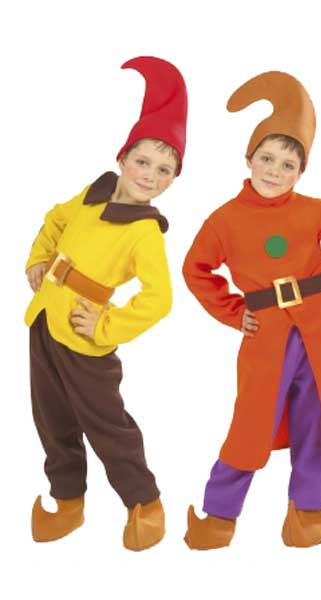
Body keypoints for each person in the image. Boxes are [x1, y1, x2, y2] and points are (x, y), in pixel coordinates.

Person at [182, 70, 321, 550]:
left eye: (288, 165)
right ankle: (219, 515)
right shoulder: (224, 220)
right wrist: (233, 312)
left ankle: (306, 511)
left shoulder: (316, 210)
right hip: (265, 332)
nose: (274, 171)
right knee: (251, 422)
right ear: (248, 158)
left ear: (300, 173)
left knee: (318, 418)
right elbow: (196, 269)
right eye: (266, 158)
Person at [25, 56, 187, 551]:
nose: (150, 175)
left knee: (107, 425)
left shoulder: (145, 232)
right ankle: (67, 501)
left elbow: (159, 299)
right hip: (45, 323)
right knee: (51, 416)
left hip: (84, 338)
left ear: (172, 181)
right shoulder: (94, 193)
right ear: (123, 157)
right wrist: (39, 258)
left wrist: (105, 325)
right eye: (143, 162)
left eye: (165, 170)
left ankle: (145, 503)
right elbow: (55, 219)